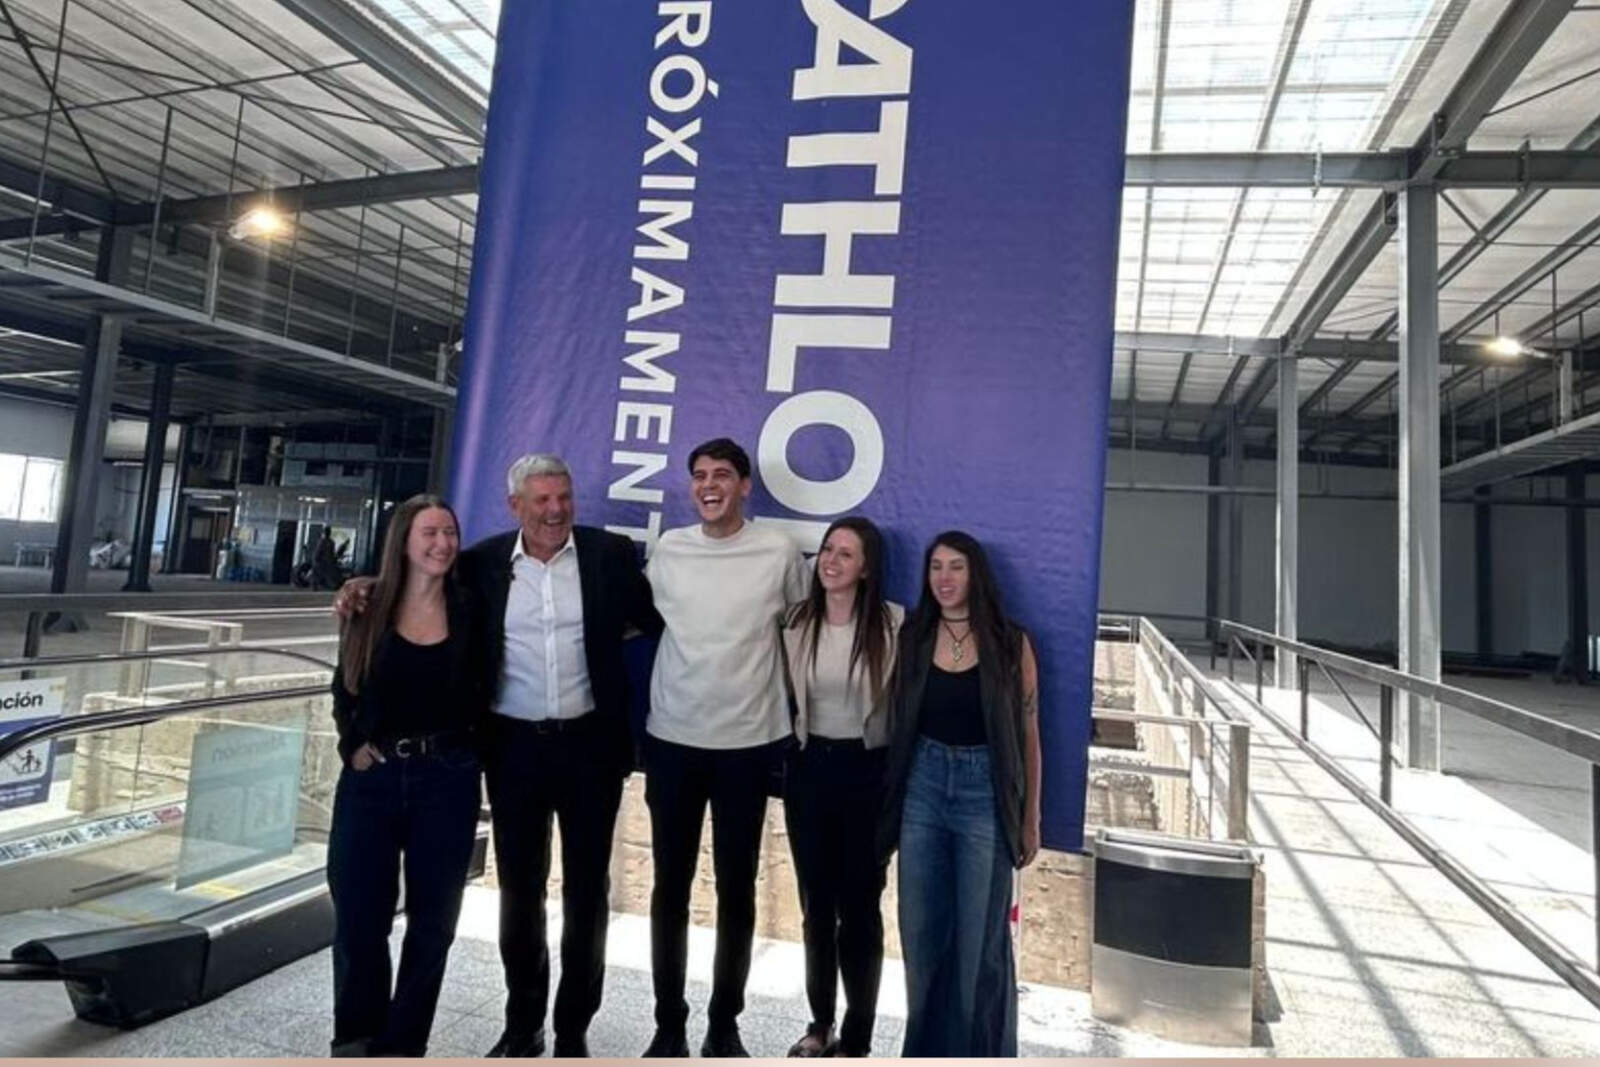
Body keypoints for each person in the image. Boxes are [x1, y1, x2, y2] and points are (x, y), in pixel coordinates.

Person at [337, 454, 660, 1058]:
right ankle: (523, 1023)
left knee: (587, 894)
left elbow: (649, 622)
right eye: (541, 499)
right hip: (511, 749)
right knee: (520, 890)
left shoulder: (609, 556)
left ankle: (573, 1028)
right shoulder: (481, 564)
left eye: (563, 497)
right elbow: (416, 579)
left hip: (590, 748)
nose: (555, 510)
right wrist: (364, 587)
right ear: (515, 506)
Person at [642, 437, 810, 1058]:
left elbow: (803, 631)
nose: (708, 485)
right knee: (670, 887)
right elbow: (637, 618)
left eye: (721, 475)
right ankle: (668, 1025)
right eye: (698, 476)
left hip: (747, 743)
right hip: (672, 740)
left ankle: (724, 1024)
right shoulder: (670, 550)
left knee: (737, 888)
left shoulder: (778, 551)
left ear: (745, 486)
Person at [326, 494, 487, 1057]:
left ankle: (401, 1046)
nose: (442, 543)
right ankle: (356, 1036)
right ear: (404, 542)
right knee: (358, 918)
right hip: (373, 781)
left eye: (449, 532)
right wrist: (353, 748)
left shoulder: (472, 608)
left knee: (433, 924)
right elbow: (344, 689)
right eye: (429, 533)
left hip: (448, 779)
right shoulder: (366, 608)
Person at [879, 530, 1042, 1058]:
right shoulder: (912, 637)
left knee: (982, 941)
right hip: (922, 788)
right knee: (922, 935)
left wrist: (1030, 817)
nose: (944, 578)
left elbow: (1029, 736)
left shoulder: (1011, 643)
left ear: (976, 575)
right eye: (935, 568)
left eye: (956, 567)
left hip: (984, 794)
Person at [777, 517, 903, 1058]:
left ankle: (858, 1033)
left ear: (866, 567)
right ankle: (820, 1023)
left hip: (867, 773)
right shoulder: (794, 621)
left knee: (861, 909)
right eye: (827, 550)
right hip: (810, 771)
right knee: (816, 907)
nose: (830, 561)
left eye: (845, 554)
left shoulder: (896, 625)